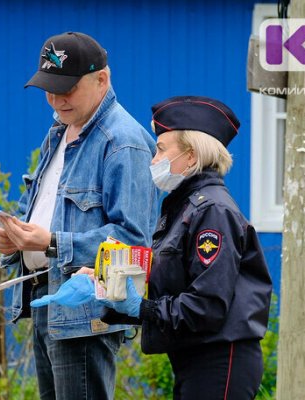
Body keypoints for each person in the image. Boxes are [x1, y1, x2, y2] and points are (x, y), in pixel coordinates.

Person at [0, 32, 158, 400]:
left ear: (103, 79)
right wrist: (12, 238)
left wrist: (49, 242)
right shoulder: (58, 133)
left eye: (66, 87)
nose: (55, 98)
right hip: (48, 300)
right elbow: (36, 208)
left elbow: (133, 242)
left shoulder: (123, 142)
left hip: (86, 316)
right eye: (49, 88)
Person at [99, 96, 273, 399]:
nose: (154, 159)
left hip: (219, 359)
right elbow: (173, 288)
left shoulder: (212, 211)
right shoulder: (186, 207)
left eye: (162, 149)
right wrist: (105, 288)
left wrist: (141, 307)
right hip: (194, 357)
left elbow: (206, 306)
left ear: (191, 156)